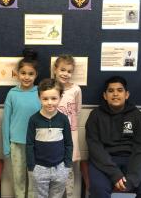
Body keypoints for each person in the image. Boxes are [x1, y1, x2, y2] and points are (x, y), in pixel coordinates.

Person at [85, 76, 141, 198]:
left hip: (132, 159)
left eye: (120, 90)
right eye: (111, 91)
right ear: (105, 95)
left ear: (127, 94)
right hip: (105, 160)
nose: (115, 94)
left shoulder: (137, 116)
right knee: (98, 191)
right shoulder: (95, 116)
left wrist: (132, 178)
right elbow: (95, 147)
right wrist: (115, 174)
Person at [2, 48, 41, 198]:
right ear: (17, 73)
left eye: (31, 74)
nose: (26, 77)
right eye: (23, 73)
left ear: (36, 75)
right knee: (18, 178)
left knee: (33, 177)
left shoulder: (40, 93)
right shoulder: (12, 94)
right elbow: (6, 122)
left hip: (36, 144)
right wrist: (6, 146)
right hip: (16, 144)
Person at [26, 78, 73, 198]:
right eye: (45, 99)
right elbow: (29, 144)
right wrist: (32, 166)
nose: (49, 102)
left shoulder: (63, 119)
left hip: (60, 167)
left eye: (54, 98)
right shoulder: (33, 119)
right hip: (39, 168)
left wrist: (67, 165)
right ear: (39, 98)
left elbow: (68, 143)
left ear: (60, 98)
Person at [53, 54, 82, 198]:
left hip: (70, 136)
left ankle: (69, 195)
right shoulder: (50, 88)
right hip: (53, 136)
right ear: (55, 69)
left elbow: (77, 111)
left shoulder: (76, 89)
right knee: (54, 171)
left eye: (69, 71)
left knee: (68, 170)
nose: (66, 74)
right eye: (63, 70)